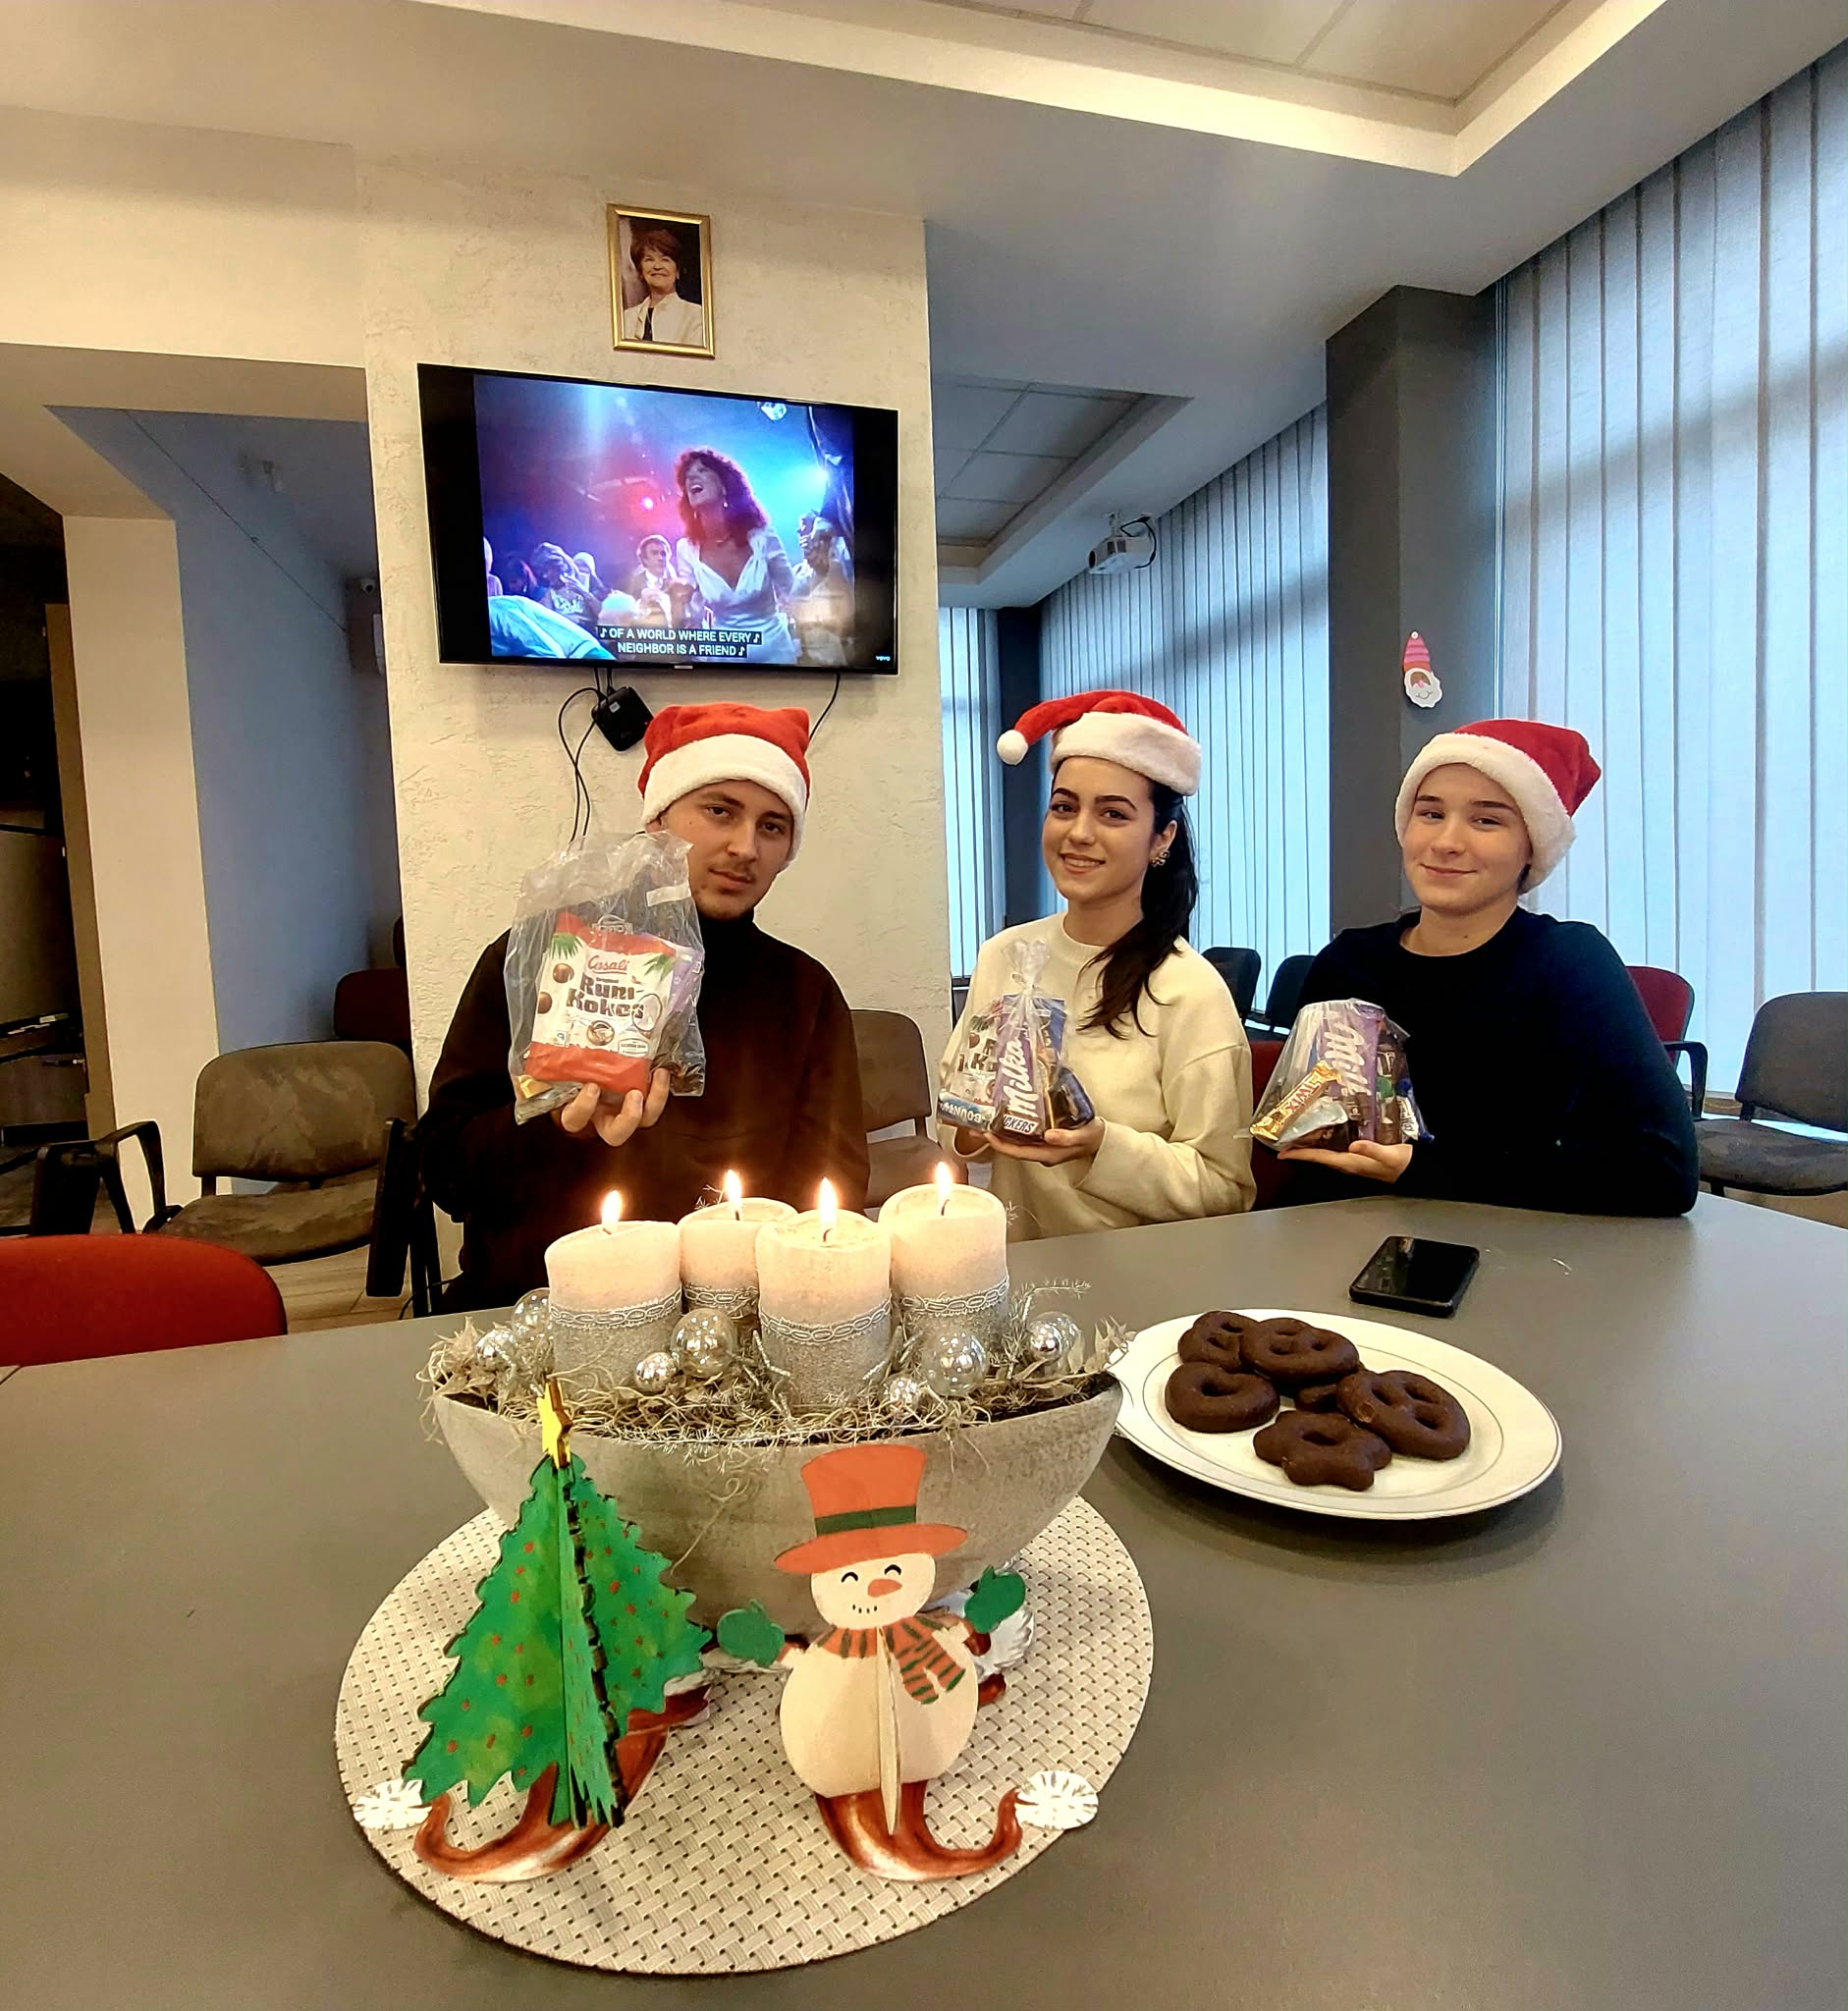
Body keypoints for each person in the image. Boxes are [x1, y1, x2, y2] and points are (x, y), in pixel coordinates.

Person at [422, 703, 870, 1308]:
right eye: (719, 811)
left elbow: (830, 1189)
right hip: (537, 1313)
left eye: (772, 826)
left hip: (726, 1323)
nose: (745, 847)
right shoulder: (542, 960)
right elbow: (446, 1171)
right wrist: (551, 1117)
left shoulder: (804, 993)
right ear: (658, 818)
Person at [1281, 718, 1698, 1216]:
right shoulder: (1350, 963)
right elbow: (1311, 1145)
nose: (1446, 842)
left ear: (1532, 847)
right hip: (1335, 1233)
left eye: (1486, 821)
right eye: (1431, 813)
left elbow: (1662, 1171)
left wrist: (1422, 1169)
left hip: (1506, 1241)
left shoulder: (1568, 964)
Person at [943, 690, 1255, 1239]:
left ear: (1161, 838)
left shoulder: (1188, 991)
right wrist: (976, 1122)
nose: (1079, 833)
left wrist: (1099, 1147)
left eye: (1113, 813)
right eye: (1064, 807)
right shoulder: (1004, 956)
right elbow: (954, 1120)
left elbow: (1224, 1190)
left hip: (1141, 1277)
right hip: (1019, 1265)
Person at [673, 449, 797, 663]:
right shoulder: (686, 549)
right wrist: (677, 603)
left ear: (724, 486)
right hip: (724, 661)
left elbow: (794, 592)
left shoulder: (762, 537)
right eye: (688, 475)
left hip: (777, 659)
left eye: (702, 470)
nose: (692, 477)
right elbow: (691, 618)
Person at [619, 223, 707, 348]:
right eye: (649, 259)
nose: (657, 266)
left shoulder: (696, 315)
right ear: (641, 271)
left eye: (665, 260)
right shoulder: (627, 318)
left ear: (677, 271)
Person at [788, 513, 853, 667]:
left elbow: (846, 623)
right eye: (800, 530)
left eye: (806, 528)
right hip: (802, 661)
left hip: (834, 660)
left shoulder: (841, 569)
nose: (801, 534)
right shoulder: (796, 572)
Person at [531, 543, 597, 627]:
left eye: (546, 571)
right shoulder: (551, 593)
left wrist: (583, 592)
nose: (545, 576)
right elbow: (545, 620)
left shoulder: (587, 581)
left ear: (558, 565)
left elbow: (605, 615)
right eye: (542, 573)